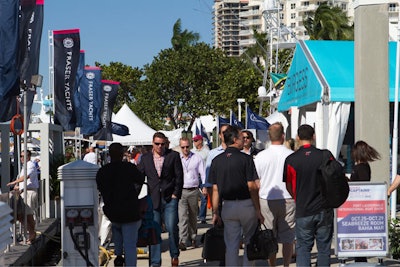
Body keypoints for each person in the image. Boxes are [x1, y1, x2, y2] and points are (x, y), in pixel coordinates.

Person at [209, 125, 264, 266]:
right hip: (246, 204)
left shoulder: (216, 160)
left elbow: (215, 189)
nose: (243, 141)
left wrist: (215, 212)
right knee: (250, 241)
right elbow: (252, 186)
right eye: (241, 138)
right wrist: (258, 209)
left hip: (227, 205)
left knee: (231, 245)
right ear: (234, 139)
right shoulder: (246, 159)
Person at [283, 124, 334, 267]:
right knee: (324, 249)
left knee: (303, 248)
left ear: (298, 138)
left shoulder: (291, 159)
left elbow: (288, 184)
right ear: (314, 137)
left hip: (303, 209)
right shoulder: (326, 155)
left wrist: (297, 197)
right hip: (324, 208)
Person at [138, 132, 183, 267]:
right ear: (152, 143)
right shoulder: (145, 158)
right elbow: (139, 177)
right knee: (154, 231)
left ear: (166, 144)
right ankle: (155, 262)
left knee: (171, 227)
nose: (160, 146)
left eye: (162, 144)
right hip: (153, 199)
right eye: (157, 144)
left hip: (170, 198)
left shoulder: (173, 156)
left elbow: (179, 177)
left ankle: (174, 255)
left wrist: (176, 194)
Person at [96, 143, 144, 267]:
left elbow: (100, 188)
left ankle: (118, 255)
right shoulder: (128, 167)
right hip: (129, 212)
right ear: (122, 153)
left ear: (109, 155)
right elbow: (140, 179)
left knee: (117, 233)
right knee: (129, 246)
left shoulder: (102, 171)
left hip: (112, 212)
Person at [254, 122, 295, 267]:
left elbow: (256, 181)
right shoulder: (291, 155)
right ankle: (286, 264)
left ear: (269, 137)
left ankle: (272, 264)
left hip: (266, 199)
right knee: (288, 237)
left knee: (269, 236)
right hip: (288, 198)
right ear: (283, 136)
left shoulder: (260, 157)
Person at [350, 140, 380, 263]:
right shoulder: (364, 167)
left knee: (358, 233)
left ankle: (360, 259)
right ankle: (360, 259)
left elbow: (360, 184)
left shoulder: (359, 168)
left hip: (358, 204)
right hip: (361, 204)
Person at [178, 137, 207, 250]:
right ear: (180, 147)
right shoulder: (178, 158)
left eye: (187, 146)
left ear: (190, 146)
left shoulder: (197, 158)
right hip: (181, 190)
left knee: (193, 216)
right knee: (182, 217)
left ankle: (193, 237)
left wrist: (204, 186)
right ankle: (183, 240)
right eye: (183, 147)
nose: (185, 149)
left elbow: (203, 173)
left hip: (194, 190)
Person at [7, 150, 39, 243]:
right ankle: (31, 233)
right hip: (23, 192)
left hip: (29, 192)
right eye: (20, 156)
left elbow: (26, 177)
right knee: (22, 215)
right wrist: (18, 187)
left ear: (28, 156)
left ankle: (32, 234)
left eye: (22, 156)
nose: (21, 158)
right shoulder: (26, 166)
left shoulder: (30, 165)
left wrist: (14, 182)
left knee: (28, 214)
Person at [191, 134, 210, 224]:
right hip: (194, 176)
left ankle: (202, 217)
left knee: (204, 197)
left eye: (196, 140)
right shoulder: (192, 152)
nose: (194, 142)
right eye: (194, 141)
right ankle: (197, 214)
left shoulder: (206, 152)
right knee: (193, 197)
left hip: (203, 176)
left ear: (200, 141)